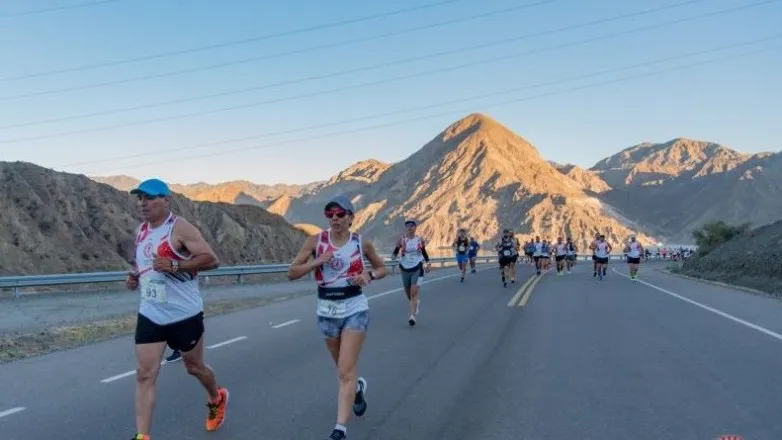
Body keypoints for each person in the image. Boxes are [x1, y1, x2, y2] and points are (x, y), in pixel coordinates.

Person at [124, 178, 228, 440]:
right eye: (139, 198)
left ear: (166, 200)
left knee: (194, 367)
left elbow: (212, 260)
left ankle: (216, 397)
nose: (143, 203)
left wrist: (175, 266)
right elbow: (146, 263)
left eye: (149, 198)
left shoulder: (180, 228)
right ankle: (142, 436)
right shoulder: (141, 231)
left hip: (185, 314)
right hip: (151, 313)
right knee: (144, 374)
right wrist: (136, 276)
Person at [286, 195, 388, 440]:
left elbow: (382, 268)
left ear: (350, 217)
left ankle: (339, 429)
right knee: (344, 369)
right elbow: (291, 272)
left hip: (355, 306)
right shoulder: (316, 241)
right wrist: (317, 262)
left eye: (340, 214)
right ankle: (358, 388)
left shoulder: (360, 243)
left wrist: (370, 276)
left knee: (344, 372)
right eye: (330, 214)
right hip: (327, 310)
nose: (335, 219)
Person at [390, 219, 431, 326]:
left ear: (415, 227)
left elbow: (424, 252)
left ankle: (412, 316)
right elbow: (395, 252)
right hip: (405, 269)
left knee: (413, 292)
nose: (409, 227)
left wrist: (428, 263)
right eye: (407, 225)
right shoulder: (402, 240)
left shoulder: (419, 239)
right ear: (406, 228)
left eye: (412, 225)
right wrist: (392, 257)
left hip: (417, 268)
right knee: (408, 294)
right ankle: (415, 303)